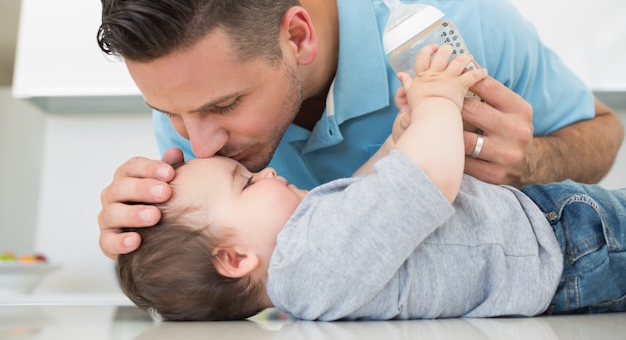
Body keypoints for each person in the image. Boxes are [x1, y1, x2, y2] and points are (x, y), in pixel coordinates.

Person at [97, 0, 624, 260]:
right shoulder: (191, 100)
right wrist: (147, 240)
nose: (201, 144)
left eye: (225, 106)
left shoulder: (457, 16)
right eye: (170, 113)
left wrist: (532, 162)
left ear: (297, 36)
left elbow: (605, 130)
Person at [116, 45, 626, 321]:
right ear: (234, 258)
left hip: (554, 244)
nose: (268, 172)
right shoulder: (309, 263)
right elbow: (427, 180)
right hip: (572, 244)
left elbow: (370, 192)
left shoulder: (313, 264)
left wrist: (401, 137)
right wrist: (438, 100)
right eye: (248, 184)